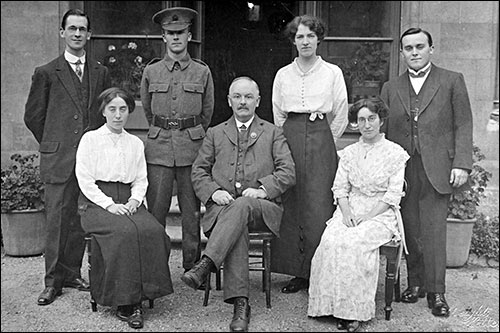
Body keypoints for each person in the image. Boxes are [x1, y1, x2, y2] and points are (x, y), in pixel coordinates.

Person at [183, 77, 296, 332]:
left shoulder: (272, 132)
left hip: (262, 209)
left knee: (243, 205)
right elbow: (198, 171)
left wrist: (262, 190)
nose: (242, 102)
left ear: (258, 101)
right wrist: (213, 193)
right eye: (237, 96)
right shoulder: (215, 133)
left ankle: (207, 263)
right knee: (237, 223)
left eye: (248, 97)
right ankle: (241, 305)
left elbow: (288, 172)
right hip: (223, 209)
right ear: (229, 100)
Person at [380, 27, 473, 317]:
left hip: (438, 168)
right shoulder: (390, 87)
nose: (415, 52)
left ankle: (437, 292)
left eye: (420, 46)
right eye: (408, 48)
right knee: (410, 229)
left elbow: (463, 125)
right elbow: (383, 132)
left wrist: (461, 163)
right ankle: (416, 284)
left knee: (433, 231)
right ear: (402, 52)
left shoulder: (451, 80)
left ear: (431, 49)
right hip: (403, 170)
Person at [24, 8, 110, 306]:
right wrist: (55, 143)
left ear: (89, 34)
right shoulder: (46, 72)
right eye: (71, 28)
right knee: (57, 219)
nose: (77, 34)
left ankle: (72, 273)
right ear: (63, 32)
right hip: (58, 159)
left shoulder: (100, 72)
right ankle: (52, 281)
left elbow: (101, 114)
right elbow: (33, 116)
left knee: (79, 217)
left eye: (82, 29)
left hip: (89, 161)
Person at [307, 98, 409, 332]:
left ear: (381, 120)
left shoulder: (395, 153)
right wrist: (346, 213)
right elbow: (340, 188)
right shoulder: (349, 153)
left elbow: (393, 194)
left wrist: (369, 216)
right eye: (361, 120)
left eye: (371, 118)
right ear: (356, 124)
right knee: (331, 239)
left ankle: (353, 311)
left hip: (381, 214)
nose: (367, 124)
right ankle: (329, 305)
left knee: (354, 242)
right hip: (350, 209)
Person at [75, 87, 173, 329]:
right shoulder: (90, 139)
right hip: (96, 202)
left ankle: (145, 292)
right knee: (125, 234)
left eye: (123, 109)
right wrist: (109, 205)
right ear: (103, 111)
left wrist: (134, 200)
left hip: (127, 200)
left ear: (129, 111)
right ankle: (125, 302)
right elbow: (85, 179)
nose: (118, 115)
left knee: (153, 231)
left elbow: (141, 178)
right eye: (112, 109)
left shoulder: (134, 143)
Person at [270, 14, 348, 293]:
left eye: (310, 36)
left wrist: (325, 140)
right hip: (290, 135)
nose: (305, 41)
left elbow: (340, 112)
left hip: (320, 138)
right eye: (300, 36)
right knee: (292, 201)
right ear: (293, 40)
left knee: (318, 203)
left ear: (318, 39)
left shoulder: (332, 72)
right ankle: (296, 272)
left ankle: (319, 271)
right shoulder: (283, 74)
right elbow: (278, 113)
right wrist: (288, 140)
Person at [141, 7, 215, 289]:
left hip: (190, 148)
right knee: (156, 211)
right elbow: (148, 110)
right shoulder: (151, 71)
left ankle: (191, 267)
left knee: (190, 212)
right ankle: (155, 268)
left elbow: (207, 111)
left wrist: (189, 132)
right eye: (170, 33)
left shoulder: (201, 72)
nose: (175, 38)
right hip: (159, 149)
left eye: (180, 33)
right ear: (163, 36)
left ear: (189, 35)